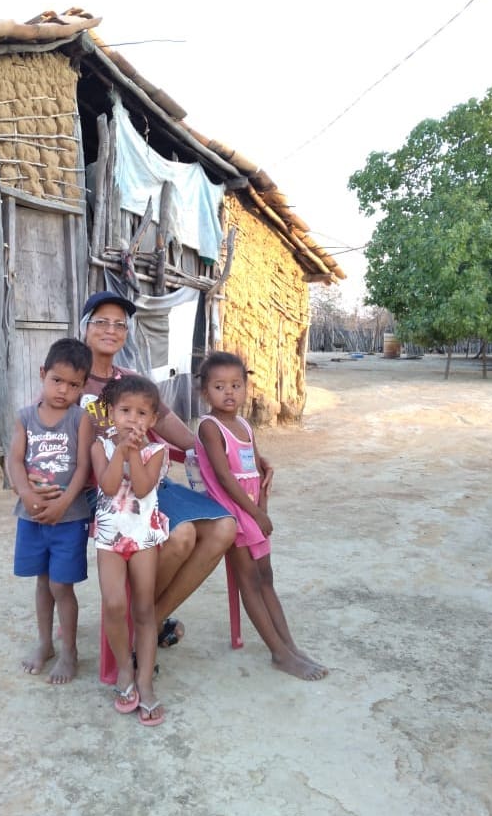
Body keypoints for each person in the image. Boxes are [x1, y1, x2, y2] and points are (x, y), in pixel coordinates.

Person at [75, 290, 239, 649]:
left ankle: (147, 620)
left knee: (225, 527)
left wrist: (225, 451)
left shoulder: (130, 380)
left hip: (149, 482)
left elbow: (168, 425)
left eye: (120, 324)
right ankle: (146, 624)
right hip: (102, 490)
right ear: (85, 328)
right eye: (101, 321)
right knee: (181, 537)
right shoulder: (72, 378)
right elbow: (48, 430)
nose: (111, 329)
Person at [194, 351, 328, 680]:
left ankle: (289, 645)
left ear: (245, 388)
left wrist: (262, 510)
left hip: (252, 513)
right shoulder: (210, 427)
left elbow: (254, 468)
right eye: (219, 386)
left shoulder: (244, 425)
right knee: (250, 582)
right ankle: (279, 654)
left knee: (267, 578)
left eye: (236, 385)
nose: (229, 393)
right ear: (204, 392)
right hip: (232, 515)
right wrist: (255, 514)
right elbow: (225, 478)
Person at [6, 338, 94, 685]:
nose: (63, 390)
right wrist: (25, 493)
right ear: (43, 374)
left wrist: (62, 503)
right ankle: (45, 643)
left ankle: (69, 651)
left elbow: (84, 468)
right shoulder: (25, 417)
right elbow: (14, 459)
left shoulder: (79, 419)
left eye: (74, 384)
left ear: (83, 386)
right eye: (57, 380)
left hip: (68, 519)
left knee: (62, 585)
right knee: (43, 582)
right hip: (31, 516)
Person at [91, 374, 169, 725]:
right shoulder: (100, 447)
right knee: (114, 603)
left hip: (143, 537)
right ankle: (124, 669)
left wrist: (134, 452)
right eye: (125, 411)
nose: (133, 420)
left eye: (141, 414)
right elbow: (108, 487)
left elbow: (140, 486)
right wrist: (120, 450)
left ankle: (145, 682)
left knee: (143, 608)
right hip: (109, 536)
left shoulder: (156, 451)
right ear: (110, 413)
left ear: (152, 420)